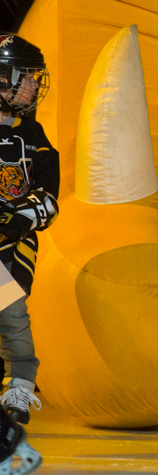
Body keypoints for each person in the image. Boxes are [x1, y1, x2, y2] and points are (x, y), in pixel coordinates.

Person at [0, 33, 59, 425]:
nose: (34, 86)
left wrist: (19, 218)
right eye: (27, 78)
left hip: (8, 247)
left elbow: (49, 199)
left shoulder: (35, 138)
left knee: (11, 313)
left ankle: (20, 385)